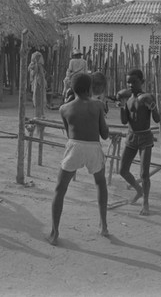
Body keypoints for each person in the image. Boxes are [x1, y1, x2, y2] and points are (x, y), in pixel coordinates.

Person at [47, 72, 110, 246]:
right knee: (100, 183)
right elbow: (104, 135)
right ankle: (103, 225)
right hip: (93, 148)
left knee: (60, 189)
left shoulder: (64, 109)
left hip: (74, 147)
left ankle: (54, 232)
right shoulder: (97, 105)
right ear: (90, 88)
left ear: (72, 88)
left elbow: (69, 134)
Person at [118, 69, 160, 216]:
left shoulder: (148, 97)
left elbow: (157, 119)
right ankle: (139, 190)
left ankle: (146, 202)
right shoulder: (128, 99)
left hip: (145, 138)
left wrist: (153, 107)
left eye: (133, 82)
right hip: (131, 137)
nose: (130, 85)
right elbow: (124, 121)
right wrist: (122, 105)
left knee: (144, 173)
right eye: (128, 82)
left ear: (142, 82)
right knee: (122, 170)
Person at [28, 51, 47, 117]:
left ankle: (38, 113)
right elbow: (41, 74)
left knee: (37, 98)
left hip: (36, 83)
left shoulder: (32, 65)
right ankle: (40, 113)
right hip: (39, 83)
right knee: (40, 98)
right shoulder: (37, 65)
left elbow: (32, 74)